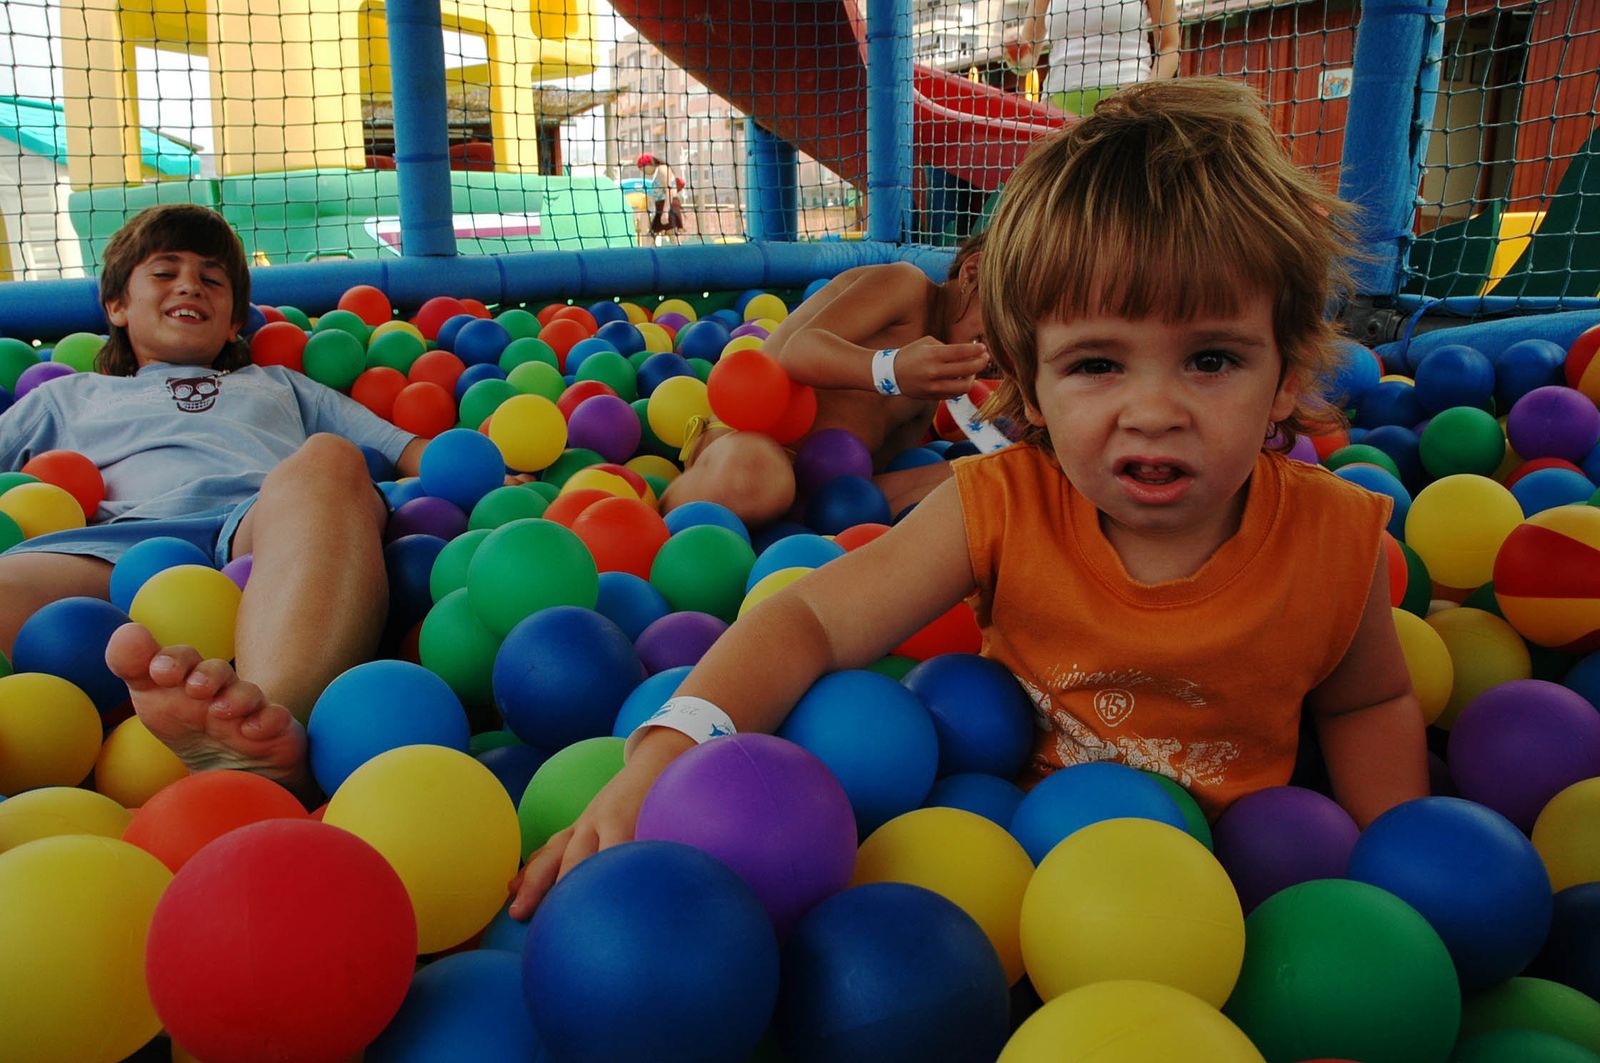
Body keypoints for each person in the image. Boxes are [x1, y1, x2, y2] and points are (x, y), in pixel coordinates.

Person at [508, 77, 1430, 919]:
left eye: (1212, 359)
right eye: (1097, 365)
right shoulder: (1002, 504)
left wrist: (1404, 870)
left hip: (1243, 902)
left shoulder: (1333, 538)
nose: (1153, 411)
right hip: (1009, 881)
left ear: (1285, 377)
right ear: (1028, 385)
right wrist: (664, 758)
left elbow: (1369, 701)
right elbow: (809, 619)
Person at [0, 203, 428, 806]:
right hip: (115, 547)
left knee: (332, 459)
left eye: (211, 278)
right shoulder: (68, 395)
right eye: (165, 271)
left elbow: (405, 450)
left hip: (258, 531)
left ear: (232, 323)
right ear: (117, 306)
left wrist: (503, 470)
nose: (189, 285)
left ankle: (266, 721)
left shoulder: (278, 385)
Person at [658, 232, 991, 526]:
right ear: (972, 272)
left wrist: (989, 465)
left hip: (811, 495)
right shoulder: (908, 288)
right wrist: (892, 370)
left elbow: (866, 486)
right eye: (1005, 317)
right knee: (758, 478)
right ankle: (671, 509)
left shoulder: (931, 390)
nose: (1005, 343)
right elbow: (797, 351)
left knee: (988, 477)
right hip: (745, 443)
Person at [1007, 0, 1181, 115]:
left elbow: (1169, 48)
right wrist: (1016, 56)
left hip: (1125, 110)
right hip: (1058, 110)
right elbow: (1027, 62)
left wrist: (1141, 94)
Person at [636, 153, 685, 245]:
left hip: (668, 205)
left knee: (672, 235)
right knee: (652, 235)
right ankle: (650, 252)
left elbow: (669, 190)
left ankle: (680, 253)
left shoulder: (662, 169)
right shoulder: (657, 172)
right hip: (661, 206)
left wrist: (665, 212)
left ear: (648, 165)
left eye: (643, 169)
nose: (644, 173)